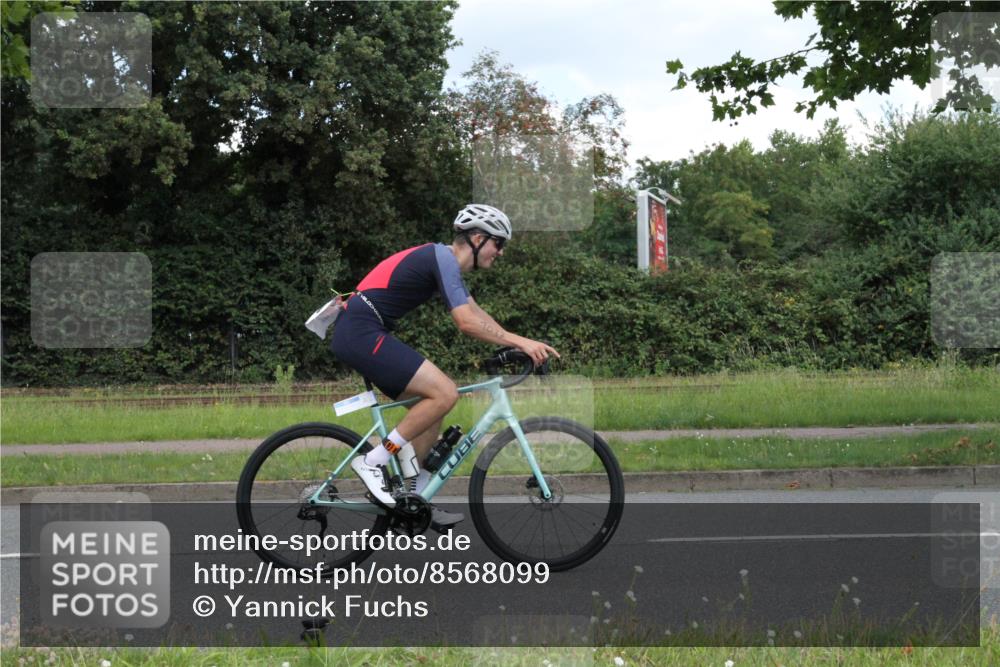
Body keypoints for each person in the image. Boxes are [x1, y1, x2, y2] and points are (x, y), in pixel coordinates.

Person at [330, 204, 559, 529]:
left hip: (363, 332)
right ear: (478, 238)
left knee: (434, 405)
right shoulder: (443, 258)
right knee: (445, 392)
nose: (501, 252)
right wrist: (520, 342)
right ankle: (373, 461)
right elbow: (466, 323)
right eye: (499, 243)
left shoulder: (444, 263)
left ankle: (416, 497)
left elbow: (476, 313)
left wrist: (515, 342)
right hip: (361, 332)